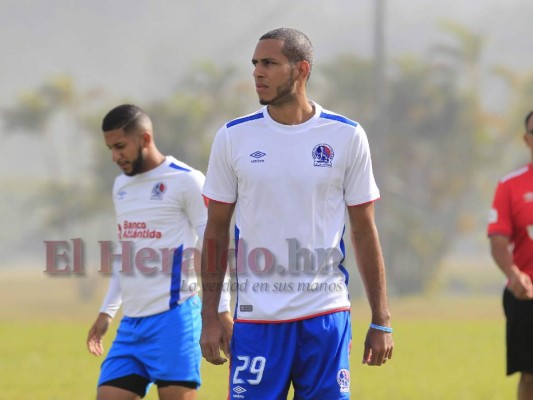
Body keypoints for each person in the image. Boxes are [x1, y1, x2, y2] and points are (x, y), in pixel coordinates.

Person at [199, 28, 393, 399]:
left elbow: (364, 230)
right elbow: (216, 231)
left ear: (301, 69)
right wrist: (211, 313)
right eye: (255, 63)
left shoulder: (347, 136)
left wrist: (381, 319)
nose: (257, 72)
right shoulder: (233, 137)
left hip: (325, 315)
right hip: (258, 319)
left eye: (269, 63)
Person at [86, 104, 232, 400]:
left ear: (145, 139)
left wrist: (220, 309)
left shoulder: (187, 180)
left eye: (120, 146)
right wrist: (107, 311)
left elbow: (213, 246)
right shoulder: (120, 186)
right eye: (110, 149)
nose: (115, 156)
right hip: (131, 325)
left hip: (174, 319)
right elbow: (125, 256)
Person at [488, 110, 533, 400]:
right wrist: (515, 276)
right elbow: (498, 241)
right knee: (530, 375)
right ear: (527, 139)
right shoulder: (510, 185)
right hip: (525, 295)